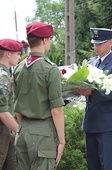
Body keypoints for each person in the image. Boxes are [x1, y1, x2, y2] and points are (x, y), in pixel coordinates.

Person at [14, 21, 65, 169]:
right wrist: (61, 141)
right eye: (49, 39)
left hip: (22, 131)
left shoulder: (18, 68)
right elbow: (56, 110)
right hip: (42, 134)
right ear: (44, 40)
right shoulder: (50, 69)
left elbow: (17, 106)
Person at [76, 28, 112, 170]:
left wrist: (91, 92)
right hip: (91, 121)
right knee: (93, 165)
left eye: (100, 44)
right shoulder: (91, 62)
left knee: (108, 165)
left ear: (110, 42)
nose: (96, 47)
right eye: (95, 44)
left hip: (107, 123)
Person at [0, 38, 22, 169]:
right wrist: (21, 132)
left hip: (6, 130)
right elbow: (2, 112)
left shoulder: (5, 74)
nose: (19, 57)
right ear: (8, 54)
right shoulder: (2, 77)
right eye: (18, 53)